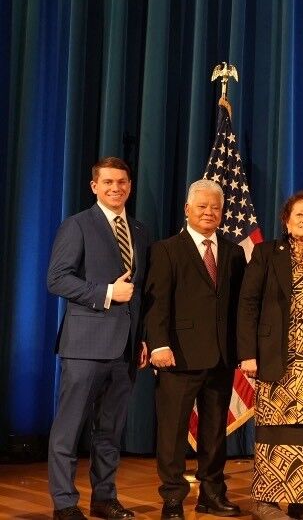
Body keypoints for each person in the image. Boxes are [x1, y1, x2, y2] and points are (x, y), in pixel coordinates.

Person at [46, 157, 152, 520]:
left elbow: (140, 293)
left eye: (122, 182)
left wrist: (142, 338)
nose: (115, 188)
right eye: (107, 182)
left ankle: (104, 498)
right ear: (94, 186)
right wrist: (105, 292)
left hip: (125, 349)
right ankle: (64, 502)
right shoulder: (77, 225)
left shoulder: (139, 230)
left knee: (110, 431)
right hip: (85, 346)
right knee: (69, 429)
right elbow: (57, 279)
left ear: (129, 185)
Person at [142, 179, 246, 519]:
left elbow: (240, 308)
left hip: (220, 356)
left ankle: (212, 494)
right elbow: (156, 303)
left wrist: (242, 350)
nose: (209, 212)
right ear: (188, 210)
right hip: (178, 357)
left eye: (215, 207)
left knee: (215, 432)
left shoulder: (232, 252)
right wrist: (158, 345)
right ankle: (173, 498)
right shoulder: (167, 249)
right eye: (202, 206)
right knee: (172, 433)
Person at [238, 191, 303, 520]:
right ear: (286, 220)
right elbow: (248, 304)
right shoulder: (267, 253)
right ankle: (266, 502)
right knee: (276, 431)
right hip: (278, 358)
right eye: (300, 215)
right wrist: (248, 354)